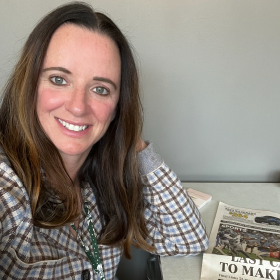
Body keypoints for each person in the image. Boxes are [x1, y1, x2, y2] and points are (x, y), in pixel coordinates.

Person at [0, 2, 208, 280]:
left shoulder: (103, 181)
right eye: (59, 79)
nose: (78, 106)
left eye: (100, 89)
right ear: (30, 87)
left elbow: (188, 240)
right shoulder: (8, 187)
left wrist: (129, 136)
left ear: (117, 107)